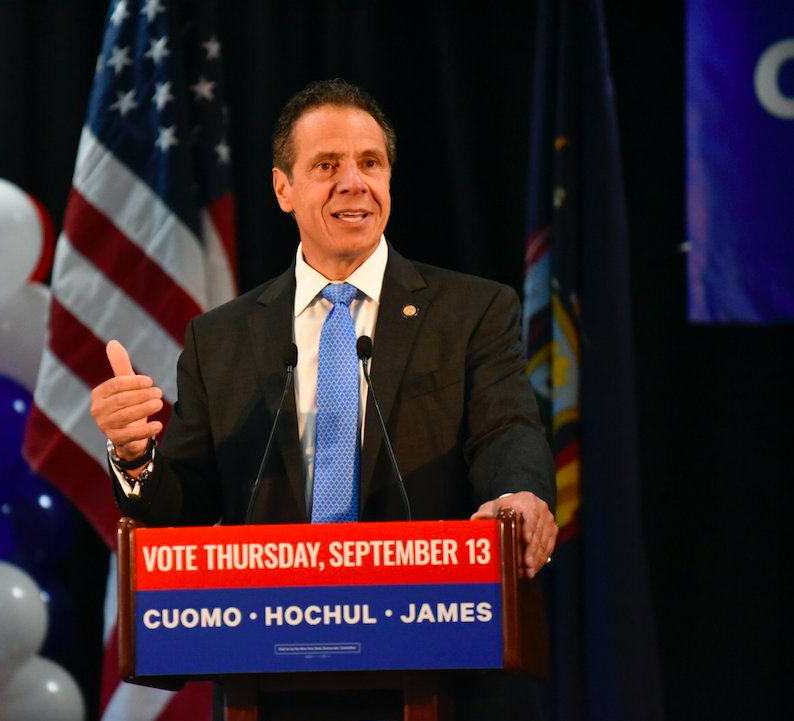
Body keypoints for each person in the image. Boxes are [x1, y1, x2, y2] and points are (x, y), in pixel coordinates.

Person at [91, 78, 557, 721]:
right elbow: (186, 503)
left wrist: (520, 493)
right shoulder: (220, 338)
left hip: (435, 659)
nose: (354, 183)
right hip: (271, 669)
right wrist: (134, 453)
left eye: (371, 163)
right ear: (283, 188)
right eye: (326, 166)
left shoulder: (473, 311)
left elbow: (505, 429)